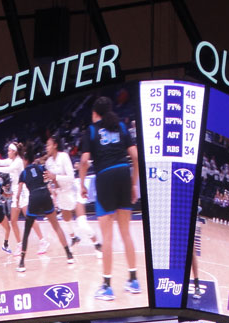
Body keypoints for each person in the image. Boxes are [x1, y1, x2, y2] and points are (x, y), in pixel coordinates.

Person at [79, 96, 140, 301]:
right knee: (126, 233)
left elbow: (85, 160)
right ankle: (133, 280)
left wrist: (81, 184)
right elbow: (136, 156)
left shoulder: (92, 130)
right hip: (123, 174)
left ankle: (106, 286)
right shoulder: (121, 127)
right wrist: (133, 183)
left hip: (105, 177)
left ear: (95, 113)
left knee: (107, 237)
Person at [14, 145, 74, 273]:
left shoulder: (23, 174)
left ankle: (22, 263)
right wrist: (53, 191)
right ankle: (69, 255)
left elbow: (18, 193)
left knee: (26, 231)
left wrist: (17, 200)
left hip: (34, 196)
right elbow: (50, 181)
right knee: (56, 226)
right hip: (45, 194)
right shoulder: (41, 167)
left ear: (25, 160)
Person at [44, 136, 101, 255]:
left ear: (55, 145)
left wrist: (55, 177)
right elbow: (53, 181)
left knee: (82, 224)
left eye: (48, 145)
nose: (46, 147)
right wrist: (52, 183)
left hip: (72, 191)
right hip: (62, 194)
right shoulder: (48, 163)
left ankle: (97, 244)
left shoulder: (64, 156)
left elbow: (70, 177)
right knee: (67, 221)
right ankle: (74, 238)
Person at [0, 141, 47, 254]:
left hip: (22, 190)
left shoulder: (18, 161)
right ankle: (19, 245)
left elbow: (9, 169)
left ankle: (42, 241)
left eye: (9, 151)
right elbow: (3, 162)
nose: (8, 152)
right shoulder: (12, 160)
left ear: (14, 152)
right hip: (15, 191)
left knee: (29, 217)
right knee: (13, 220)